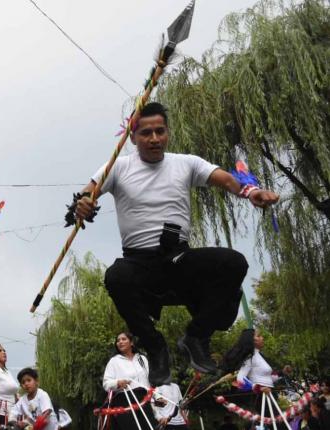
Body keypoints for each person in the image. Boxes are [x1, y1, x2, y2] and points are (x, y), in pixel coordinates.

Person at [72, 102, 279, 385]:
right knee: (116, 277)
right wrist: (82, 205)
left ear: (167, 132)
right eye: (146, 133)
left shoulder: (187, 163)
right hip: (139, 264)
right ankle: (155, 347)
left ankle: (196, 336)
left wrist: (250, 191)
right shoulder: (117, 167)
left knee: (233, 263)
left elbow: (227, 180)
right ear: (132, 137)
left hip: (178, 260)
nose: (154, 138)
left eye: (160, 131)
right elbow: (85, 197)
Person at [102, 332, 156, 430]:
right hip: (124, 400)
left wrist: (156, 398)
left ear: (131, 343)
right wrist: (117, 383)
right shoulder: (114, 361)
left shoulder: (142, 359)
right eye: (118, 341)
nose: (120, 342)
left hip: (143, 399)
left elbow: (149, 382)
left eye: (123, 339)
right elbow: (106, 384)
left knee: (149, 427)